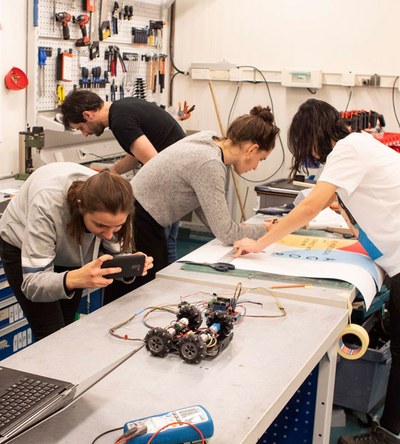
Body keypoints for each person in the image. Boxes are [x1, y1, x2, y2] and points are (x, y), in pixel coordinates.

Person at [233, 99, 400, 444]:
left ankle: (387, 435)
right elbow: (350, 209)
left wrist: (261, 243)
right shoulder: (360, 143)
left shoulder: (348, 149)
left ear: (311, 138)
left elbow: (312, 204)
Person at [0, 162, 153, 341]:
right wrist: (73, 278)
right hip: (22, 243)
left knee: (65, 327)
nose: (109, 234)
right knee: (51, 334)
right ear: (81, 207)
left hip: (70, 245)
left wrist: (127, 264)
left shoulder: (116, 203)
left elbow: (113, 255)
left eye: (117, 226)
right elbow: (33, 284)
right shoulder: (47, 205)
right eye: (100, 225)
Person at [131, 105, 280, 285]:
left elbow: (209, 209)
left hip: (137, 211)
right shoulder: (210, 164)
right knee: (147, 288)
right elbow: (225, 232)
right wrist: (266, 230)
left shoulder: (209, 139)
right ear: (251, 149)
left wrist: (231, 228)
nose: (256, 166)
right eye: (261, 159)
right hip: (139, 220)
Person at [60, 90, 186, 263]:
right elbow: (137, 153)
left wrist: (125, 191)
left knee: (156, 250)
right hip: (177, 181)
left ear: (87, 115)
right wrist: (111, 172)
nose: (84, 133)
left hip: (168, 184)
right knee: (168, 244)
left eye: (81, 128)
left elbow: (154, 164)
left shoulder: (120, 121)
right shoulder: (124, 107)